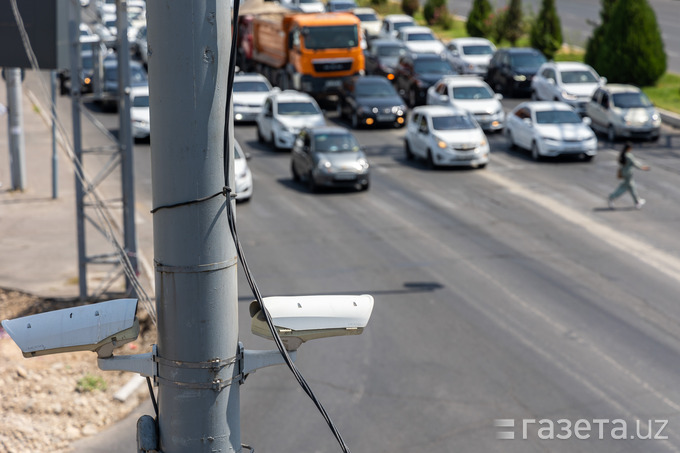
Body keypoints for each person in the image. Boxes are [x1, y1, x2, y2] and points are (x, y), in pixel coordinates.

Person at [607, 142, 650, 209]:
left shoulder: (622, 155)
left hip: (624, 173)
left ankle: (637, 201)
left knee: (632, 187)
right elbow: (635, 163)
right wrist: (643, 167)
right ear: (629, 148)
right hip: (628, 174)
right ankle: (612, 197)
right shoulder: (629, 156)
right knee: (624, 188)